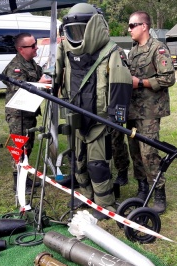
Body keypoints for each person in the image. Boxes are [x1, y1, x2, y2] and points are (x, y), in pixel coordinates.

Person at [54, 3, 133, 220]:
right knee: (78, 161)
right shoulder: (66, 51)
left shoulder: (111, 52)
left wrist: (116, 119)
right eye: (73, 31)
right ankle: (85, 195)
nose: (76, 36)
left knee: (98, 164)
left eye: (81, 30)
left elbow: (120, 87)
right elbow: (58, 78)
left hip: (99, 121)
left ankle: (104, 204)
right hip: (76, 117)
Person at [126, 11, 175, 214]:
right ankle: (142, 188)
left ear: (143, 26)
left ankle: (159, 193)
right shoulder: (133, 51)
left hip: (150, 110)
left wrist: (141, 83)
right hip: (132, 109)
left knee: (149, 153)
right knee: (135, 151)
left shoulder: (158, 48)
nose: (129, 29)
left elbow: (168, 78)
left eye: (132, 25)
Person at [2, 33, 48, 191]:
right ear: (21, 49)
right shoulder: (16, 66)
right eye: (33, 46)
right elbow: (19, 88)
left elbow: (41, 74)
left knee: (27, 147)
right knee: (19, 148)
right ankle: (18, 184)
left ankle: (25, 179)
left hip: (28, 112)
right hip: (18, 115)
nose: (36, 48)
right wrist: (39, 83)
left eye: (35, 44)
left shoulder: (31, 63)